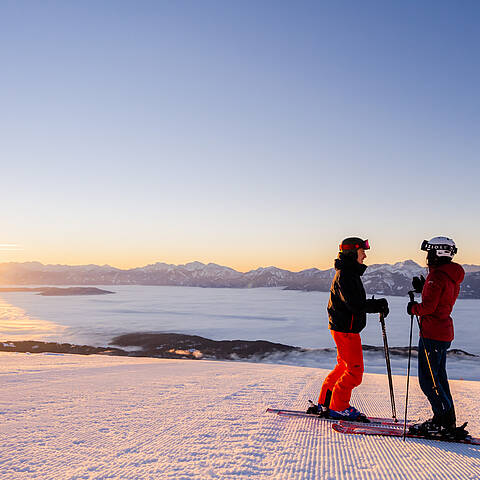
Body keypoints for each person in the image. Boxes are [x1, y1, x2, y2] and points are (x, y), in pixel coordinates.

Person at [308, 237, 389, 421]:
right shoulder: (346, 275)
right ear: (353, 253)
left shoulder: (348, 273)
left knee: (343, 367)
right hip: (346, 330)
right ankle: (339, 407)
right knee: (354, 371)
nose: (365, 256)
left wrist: (376, 305)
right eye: (362, 252)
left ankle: (326, 402)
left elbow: (353, 303)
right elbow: (354, 304)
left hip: (343, 328)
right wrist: (377, 305)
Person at [407, 236, 466, 437]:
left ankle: (442, 423)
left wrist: (414, 308)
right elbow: (441, 299)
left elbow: (429, 307)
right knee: (439, 378)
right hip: (443, 332)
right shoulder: (450, 275)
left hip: (432, 333)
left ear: (437, 253)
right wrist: (424, 287)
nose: (427, 256)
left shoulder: (436, 277)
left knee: (428, 380)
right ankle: (447, 421)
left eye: (430, 252)